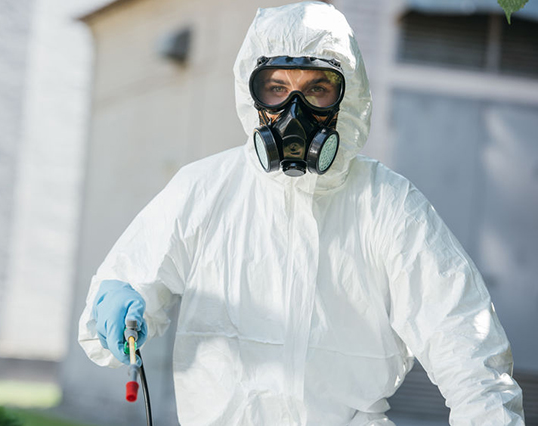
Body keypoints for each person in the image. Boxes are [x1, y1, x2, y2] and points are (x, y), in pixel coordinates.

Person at [78, 2, 525, 425]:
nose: (295, 112)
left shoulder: (387, 205)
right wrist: (118, 308)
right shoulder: (205, 190)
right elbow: (118, 305)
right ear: (253, 97)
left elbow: (467, 347)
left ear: (344, 98)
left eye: (317, 89)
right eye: (276, 88)